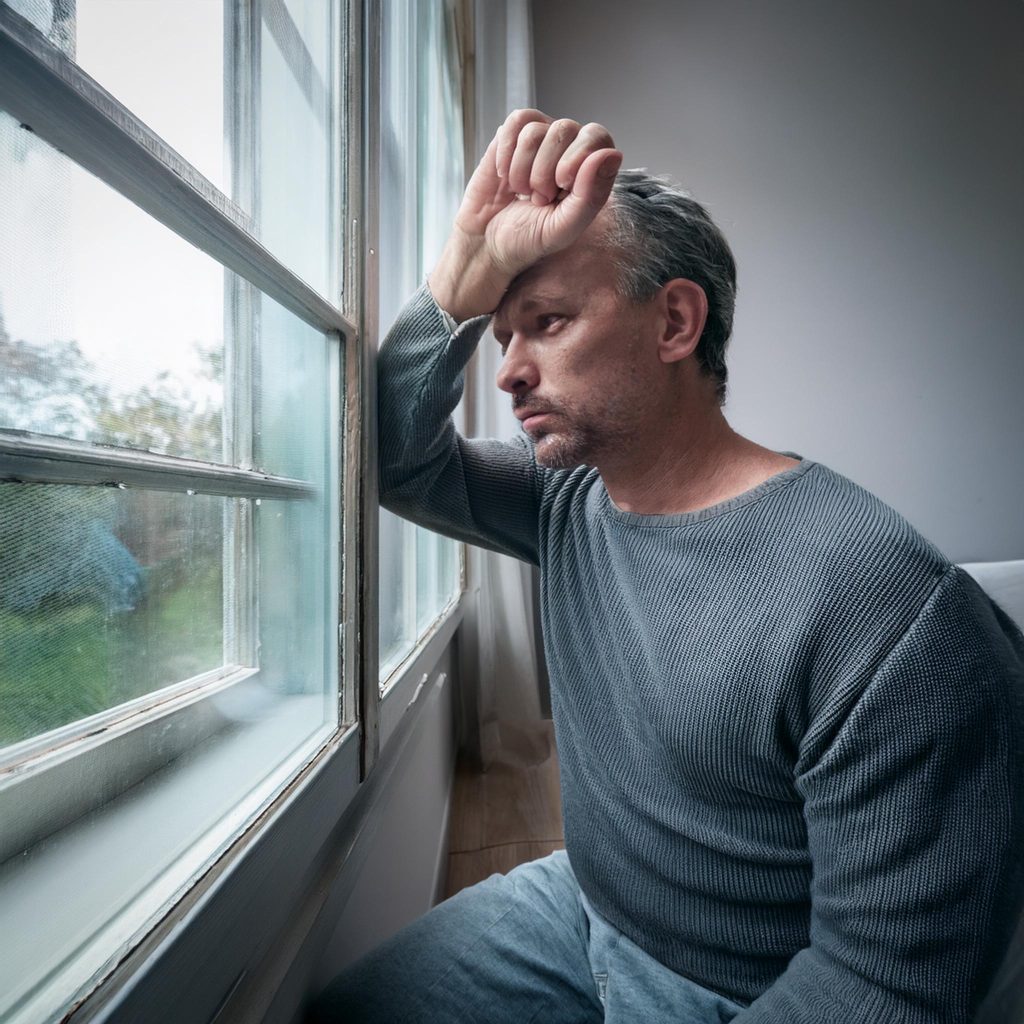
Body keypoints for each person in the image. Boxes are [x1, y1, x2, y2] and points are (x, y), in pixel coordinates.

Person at [309, 110, 1024, 1023]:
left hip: (743, 985)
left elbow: (883, 989)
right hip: (585, 905)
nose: (508, 375)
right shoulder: (568, 499)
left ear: (676, 322)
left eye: (549, 323)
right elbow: (394, 458)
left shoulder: (887, 613)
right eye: (502, 338)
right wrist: (458, 280)